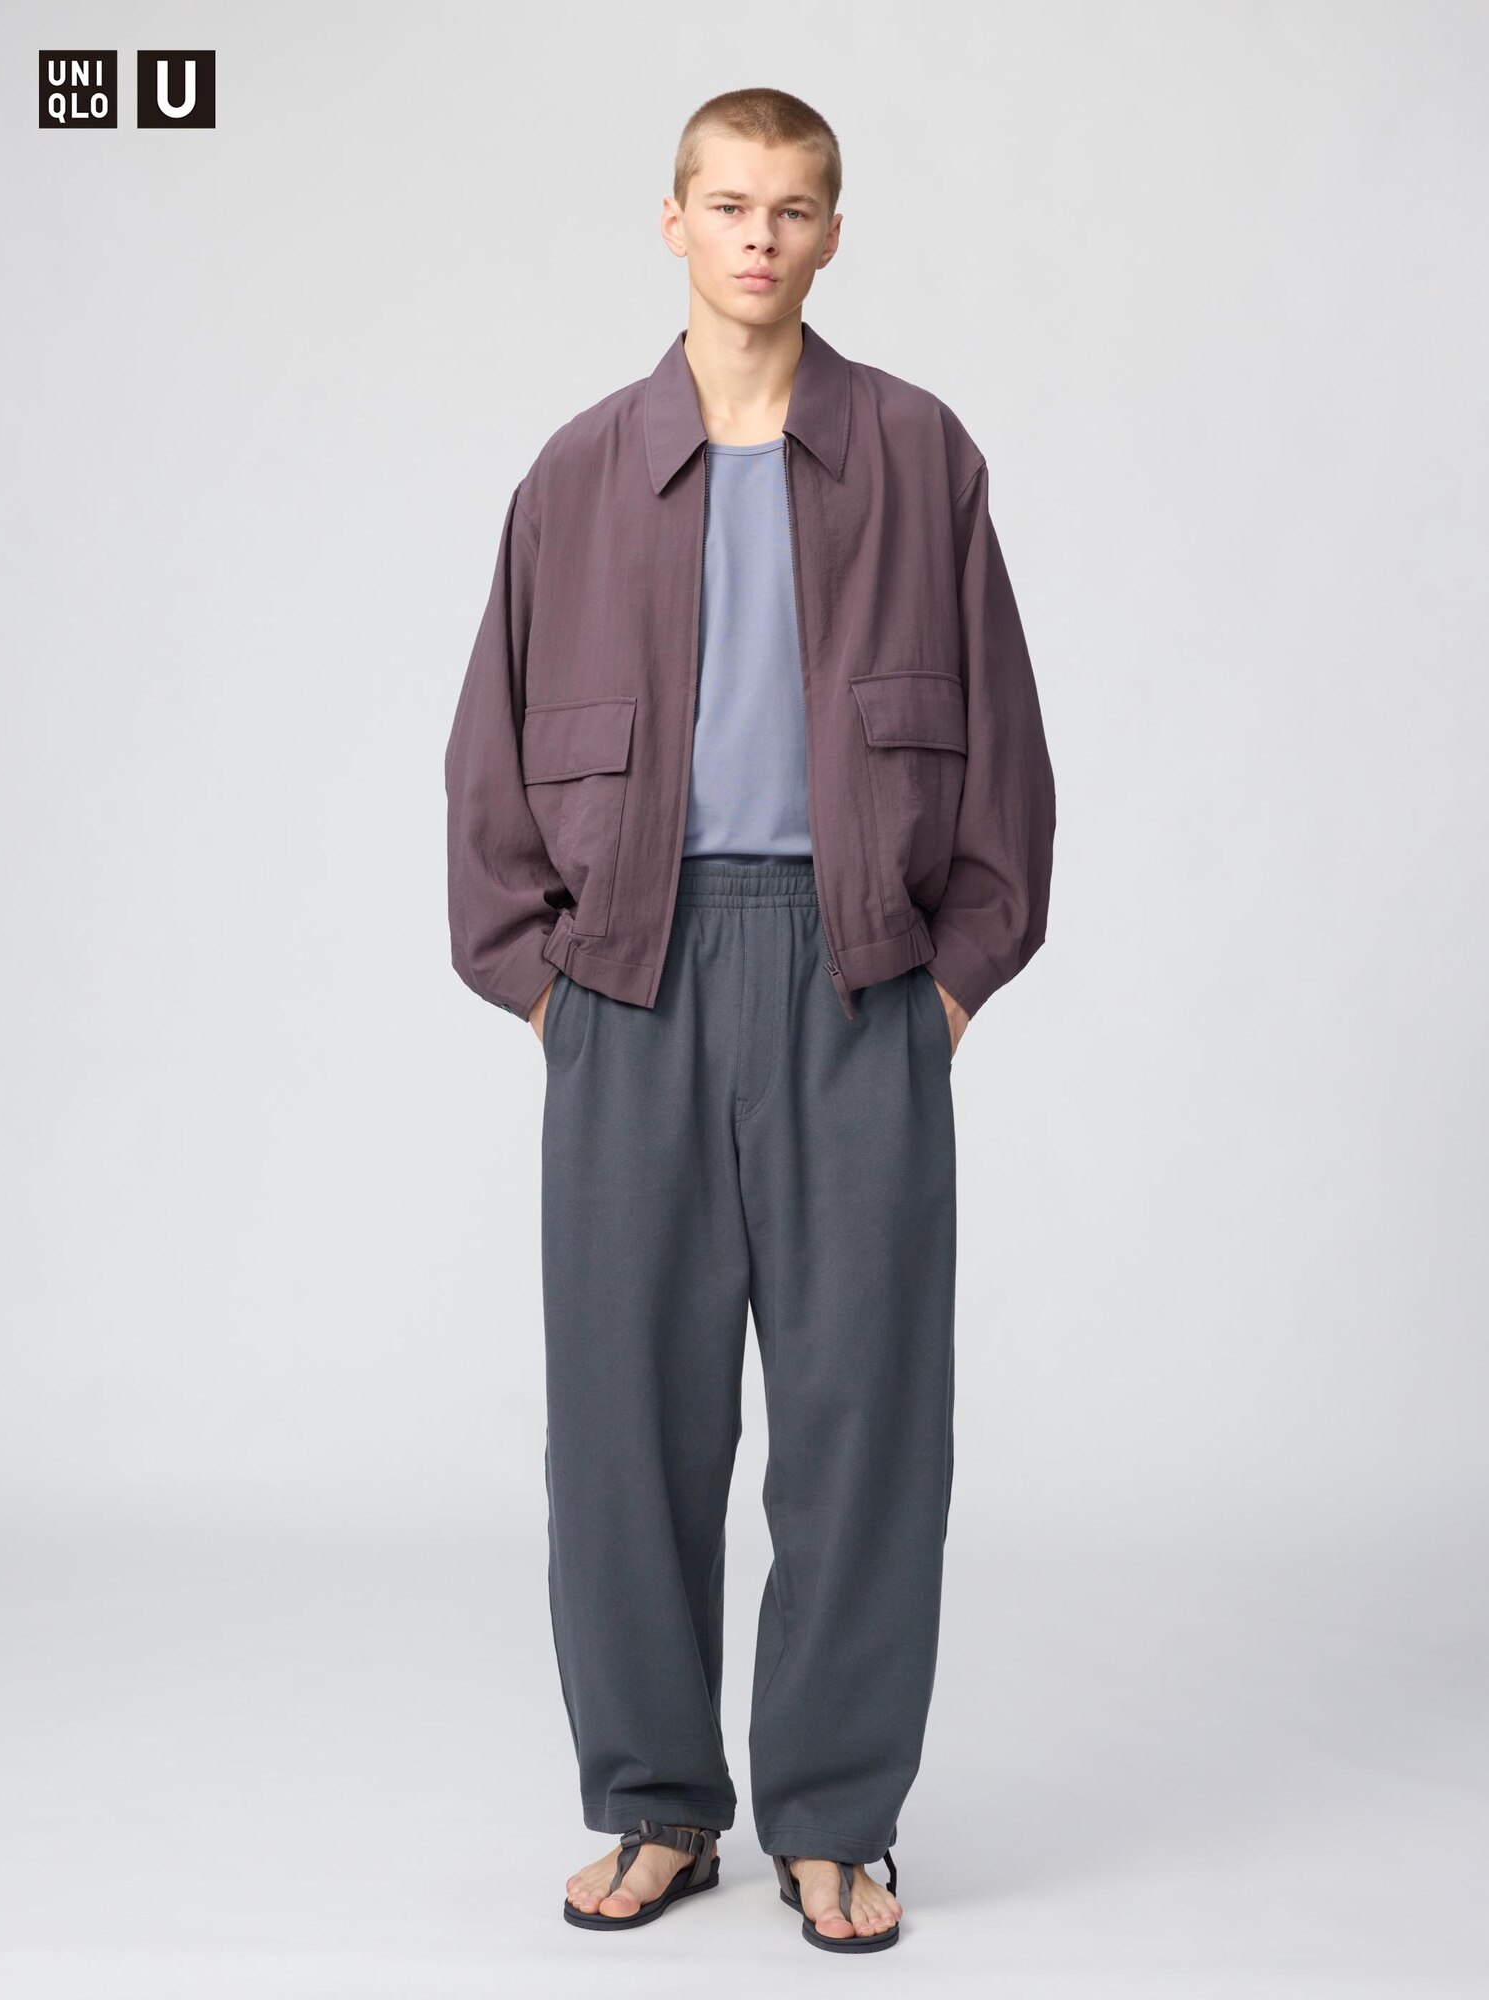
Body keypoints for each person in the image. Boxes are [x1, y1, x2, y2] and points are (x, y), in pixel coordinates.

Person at [444, 85, 1055, 1954]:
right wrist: (547, 996)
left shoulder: (922, 458)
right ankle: (654, 1802)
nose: (759, 238)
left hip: (857, 972)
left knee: (867, 1417)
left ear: (833, 234)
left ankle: (838, 1815)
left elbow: (1009, 765)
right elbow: (485, 770)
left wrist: (945, 989)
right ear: (674, 225)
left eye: (792, 209)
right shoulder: (575, 475)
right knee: (623, 1419)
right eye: (727, 205)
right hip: (629, 978)